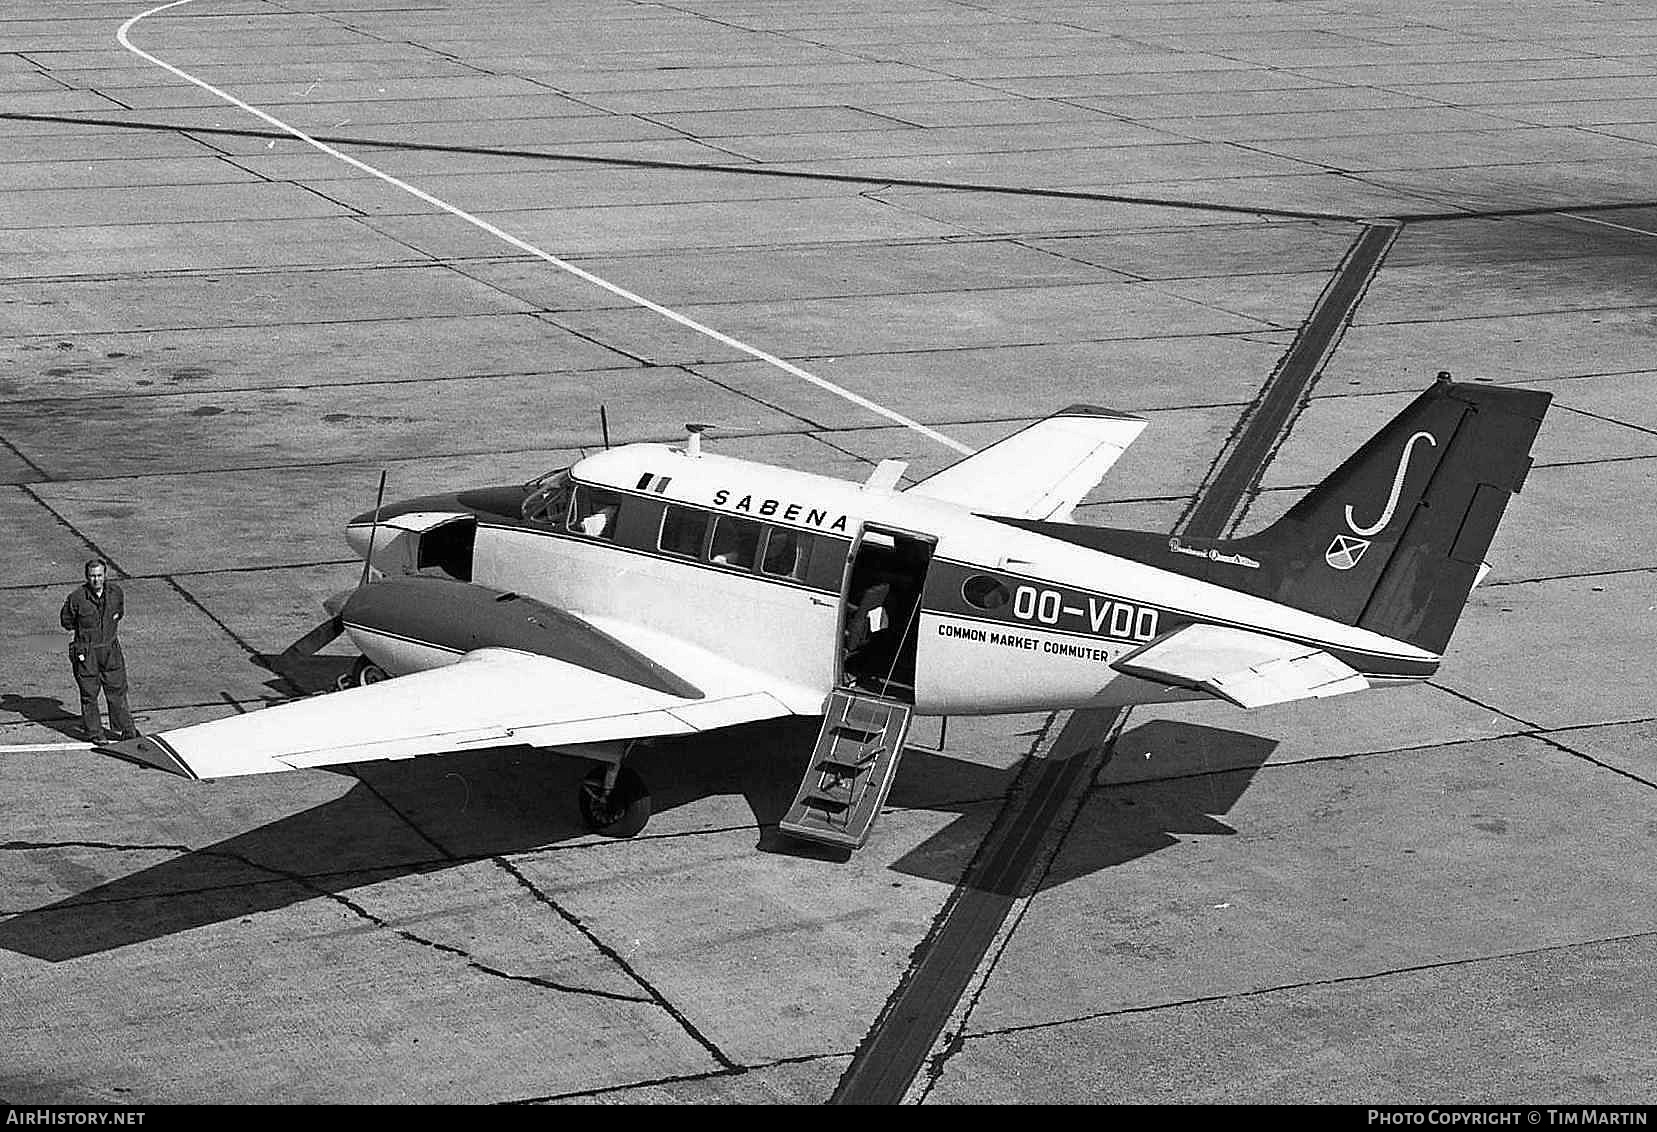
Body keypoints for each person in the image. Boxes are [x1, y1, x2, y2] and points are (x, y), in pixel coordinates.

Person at [59, 559, 138, 743]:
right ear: (87, 577)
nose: (96, 580)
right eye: (92, 576)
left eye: (99, 575)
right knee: (89, 694)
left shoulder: (116, 593)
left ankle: (127, 730)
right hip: (86, 652)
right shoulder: (77, 598)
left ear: (105, 575)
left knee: (118, 690)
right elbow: (66, 622)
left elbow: (119, 613)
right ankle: (95, 733)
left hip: (110, 649)